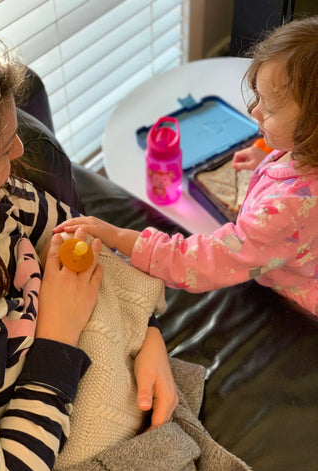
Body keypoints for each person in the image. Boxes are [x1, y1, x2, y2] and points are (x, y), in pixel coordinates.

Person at [0, 38, 177, 471]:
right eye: (3, 149)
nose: (21, 151)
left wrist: (147, 335)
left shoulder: (3, 200)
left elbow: (87, 237)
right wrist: (58, 336)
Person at [54, 16, 318, 317]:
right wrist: (268, 159)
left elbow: (200, 262)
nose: (253, 110)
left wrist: (117, 236)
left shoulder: (285, 213)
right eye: (258, 98)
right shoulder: (303, 153)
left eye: (268, 108)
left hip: (290, 294)